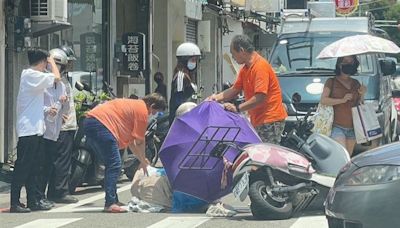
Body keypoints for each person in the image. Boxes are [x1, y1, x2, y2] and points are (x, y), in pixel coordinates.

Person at [83, 93, 167, 213]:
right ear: (151, 105)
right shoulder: (142, 110)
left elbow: (131, 143)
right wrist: (143, 161)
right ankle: (110, 203)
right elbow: (140, 141)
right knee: (114, 164)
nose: (153, 115)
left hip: (92, 122)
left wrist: (142, 160)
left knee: (112, 165)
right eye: (155, 111)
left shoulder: (135, 105)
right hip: (101, 124)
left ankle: (113, 200)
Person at [208, 34, 287, 144]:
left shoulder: (260, 67)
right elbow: (234, 89)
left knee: (265, 156)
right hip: (257, 119)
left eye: (233, 54)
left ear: (241, 50)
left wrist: (237, 108)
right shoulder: (245, 69)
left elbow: (260, 97)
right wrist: (215, 98)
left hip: (270, 119)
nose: (233, 58)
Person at [10, 49, 61, 213]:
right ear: (42, 61)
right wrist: (52, 61)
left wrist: (47, 110)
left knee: (35, 168)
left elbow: (33, 102)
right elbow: (57, 77)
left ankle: (33, 201)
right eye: (46, 62)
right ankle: (15, 202)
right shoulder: (31, 74)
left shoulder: (34, 78)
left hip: (36, 129)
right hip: (28, 130)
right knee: (23, 168)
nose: (48, 65)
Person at [38, 48, 79, 204]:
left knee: (59, 161)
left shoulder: (61, 81)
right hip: (59, 127)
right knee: (58, 161)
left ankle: (54, 191)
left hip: (65, 125)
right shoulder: (51, 81)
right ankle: (58, 192)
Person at [320, 55, 366, 156]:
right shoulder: (331, 81)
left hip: (353, 127)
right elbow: (324, 100)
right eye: (346, 61)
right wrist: (342, 100)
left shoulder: (356, 83)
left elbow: (360, 105)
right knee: (342, 155)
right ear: (339, 65)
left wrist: (362, 94)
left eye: (351, 62)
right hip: (337, 127)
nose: (349, 64)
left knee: (348, 159)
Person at [169, 42, 201, 124]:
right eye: (192, 60)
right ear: (184, 61)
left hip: (190, 118)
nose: (194, 63)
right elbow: (178, 102)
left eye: (195, 60)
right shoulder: (180, 76)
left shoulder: (190, 76)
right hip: (182, 120)